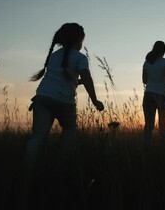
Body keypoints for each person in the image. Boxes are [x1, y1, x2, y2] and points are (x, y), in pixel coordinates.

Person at [18, 23, 104, 209]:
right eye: (82, 40)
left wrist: (75, 82)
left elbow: (58, 77)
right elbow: (87, 78)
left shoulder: (54, 56)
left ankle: (26, 174)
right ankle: (59, 171)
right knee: (70, 130)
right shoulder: (80, 57)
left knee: (38, 137)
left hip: (42, 98)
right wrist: (95, 101)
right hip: (64, 102)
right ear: (78, 40)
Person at [142, 40, 165, 144]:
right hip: (163, 95)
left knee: (149, 124)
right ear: (164, 50)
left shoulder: (147, 62)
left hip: (149, 94)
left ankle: (146, 147)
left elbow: (144, 80)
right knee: (162, 122)